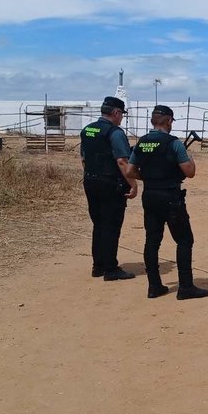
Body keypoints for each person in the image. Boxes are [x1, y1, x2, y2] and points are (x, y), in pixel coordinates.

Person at [127, 105, 208, 300]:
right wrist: (190, 159)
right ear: (169, 121)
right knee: (184, 240)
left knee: (152, 241)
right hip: (171, 197)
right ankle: (186, 287)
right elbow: (189, 172)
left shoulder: (142, 142)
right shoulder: (174, 143)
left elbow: (130, 171)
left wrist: (147, 178)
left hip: (150, 196)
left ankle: (154, 286)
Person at [80, 96, 138, 281]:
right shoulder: (115, 133)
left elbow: (83, 158)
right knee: (112, 226)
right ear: (116, 112)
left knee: (99, 224)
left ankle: (98, 266)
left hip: (90, 180)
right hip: (110, 183)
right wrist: (133, 184)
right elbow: (122, 161)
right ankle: (111, 268)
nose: (122, 118)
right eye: (121, 114)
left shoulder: (87, 130)